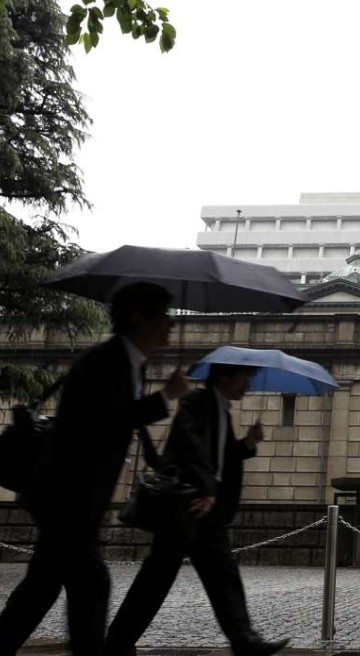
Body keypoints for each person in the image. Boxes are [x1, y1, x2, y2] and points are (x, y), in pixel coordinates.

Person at [0, 281, 189, 656]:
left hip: (71, 494)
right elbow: (103, 421)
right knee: (91, 584)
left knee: (41, 588)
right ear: (138, 316)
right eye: (164, 315)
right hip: (67, 494)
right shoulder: (107, 360)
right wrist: (165, 397)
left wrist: (157, 456)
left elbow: (118, 422)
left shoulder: (128, 361)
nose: (171, 324)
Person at [103, 363, 289, 656]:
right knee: (157, 578)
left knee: (220, 574)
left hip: (205, 508)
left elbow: (223, 459)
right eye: (244, 377)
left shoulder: (220, 410)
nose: (248, 385)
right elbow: (190, 445)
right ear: (225, 377)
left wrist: (249, 444)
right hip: (189, 504)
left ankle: (244, 639)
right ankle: (117, 642)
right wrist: (207, 489)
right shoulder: (197, 401)